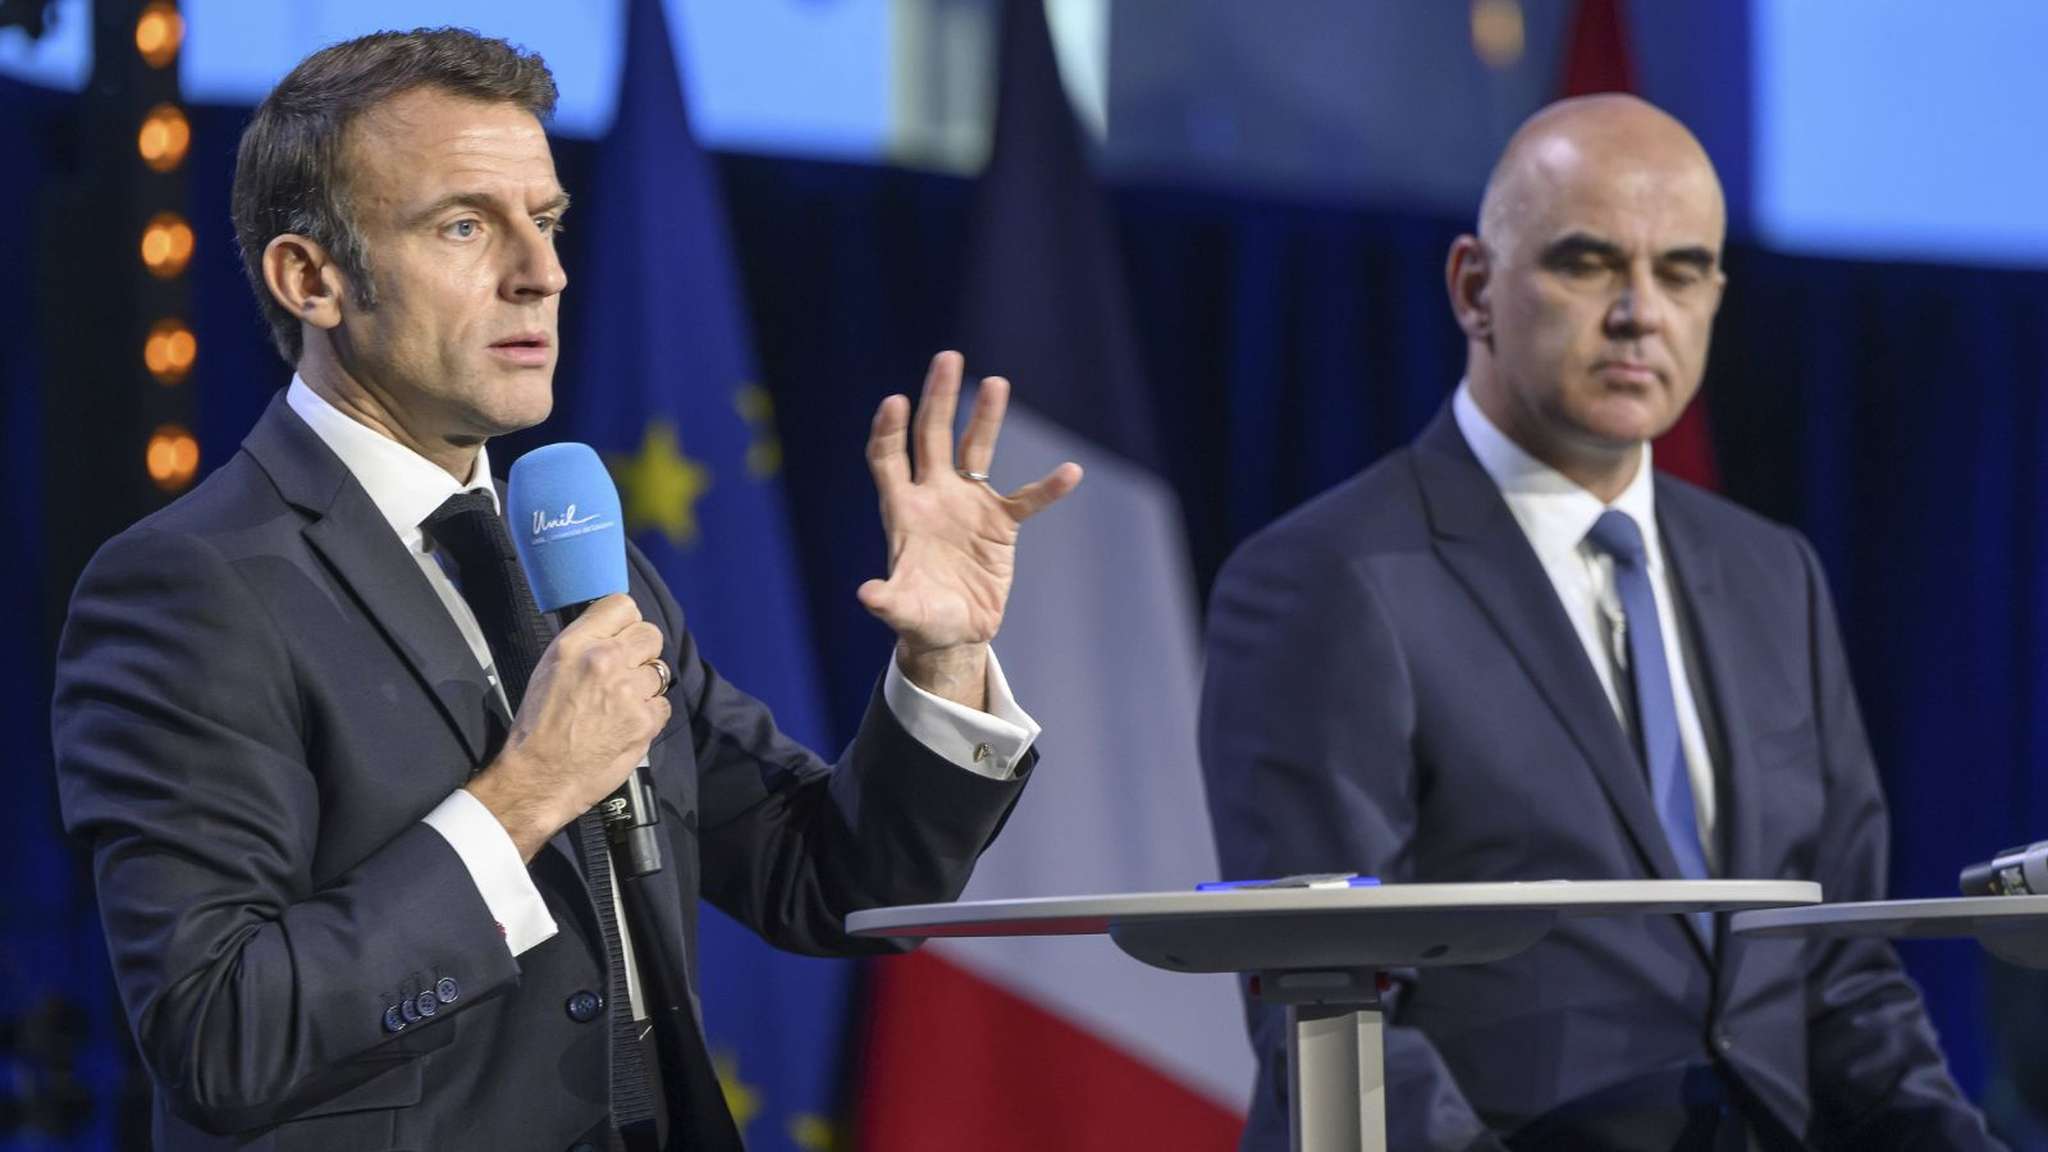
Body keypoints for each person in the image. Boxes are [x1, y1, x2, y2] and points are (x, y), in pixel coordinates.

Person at [52, 29, 1080, 1152]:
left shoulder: (576, 555)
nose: (542, 273)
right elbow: (221, 1035)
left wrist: (941, 657)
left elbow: (829, 882)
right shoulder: (191, 586)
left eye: (545, 221)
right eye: (464, 225)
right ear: (312, 279)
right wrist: (529, 792)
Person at [1200, 94, 1998, 1151]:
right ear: (1474, 288)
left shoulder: (1774, 576)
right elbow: (1333, 1015)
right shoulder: (1324, 579)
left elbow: (1840, 973)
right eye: (1586, 263)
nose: (1639, 312)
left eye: (1681, 272)